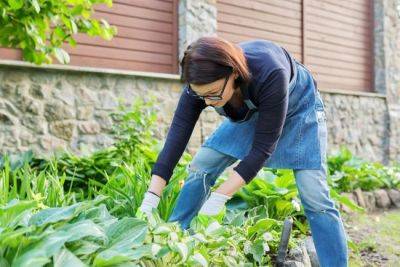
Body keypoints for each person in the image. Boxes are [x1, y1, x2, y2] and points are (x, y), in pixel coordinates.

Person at [138, 36, 348, 266]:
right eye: (201, 96)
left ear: (234, 73)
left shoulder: (271, 72)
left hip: (300, 109)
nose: (207, 102)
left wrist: (219, 197)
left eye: (214, 94)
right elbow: (176, 139)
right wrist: (151, 197)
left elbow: (262, 148)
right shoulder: (201, 84)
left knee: (313, 194)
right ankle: (176, 237)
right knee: (203, 163)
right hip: (253, 109)